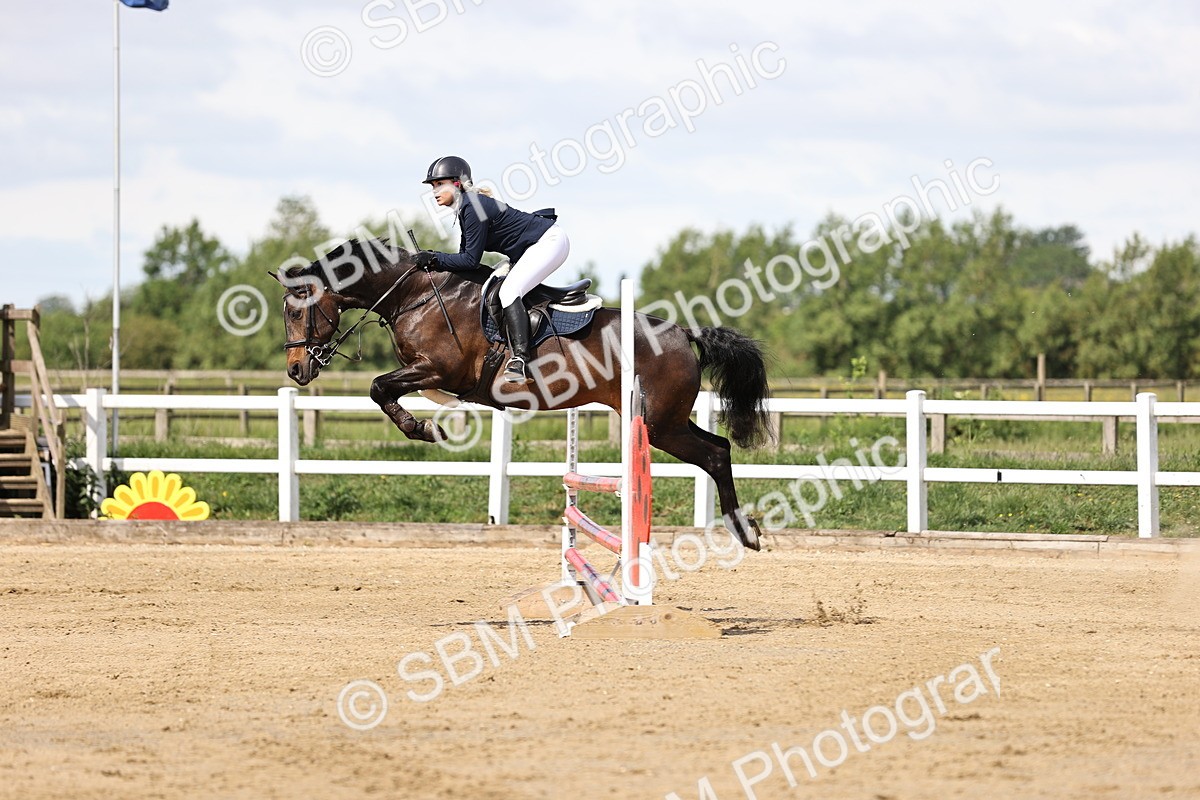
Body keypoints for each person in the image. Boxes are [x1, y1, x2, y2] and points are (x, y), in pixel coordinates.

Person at [414, 156, 570, 384]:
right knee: (494, 284)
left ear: (457, 183)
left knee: (509, 291)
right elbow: (464, 260)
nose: (434, 191)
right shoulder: (466, 207)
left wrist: (435, 258)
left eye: (439, 184)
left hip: (549, 242)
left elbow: (469, 261)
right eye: (433, 186)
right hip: (535, 247)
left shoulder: (472, 207)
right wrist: (436, 258)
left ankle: (520, 360)